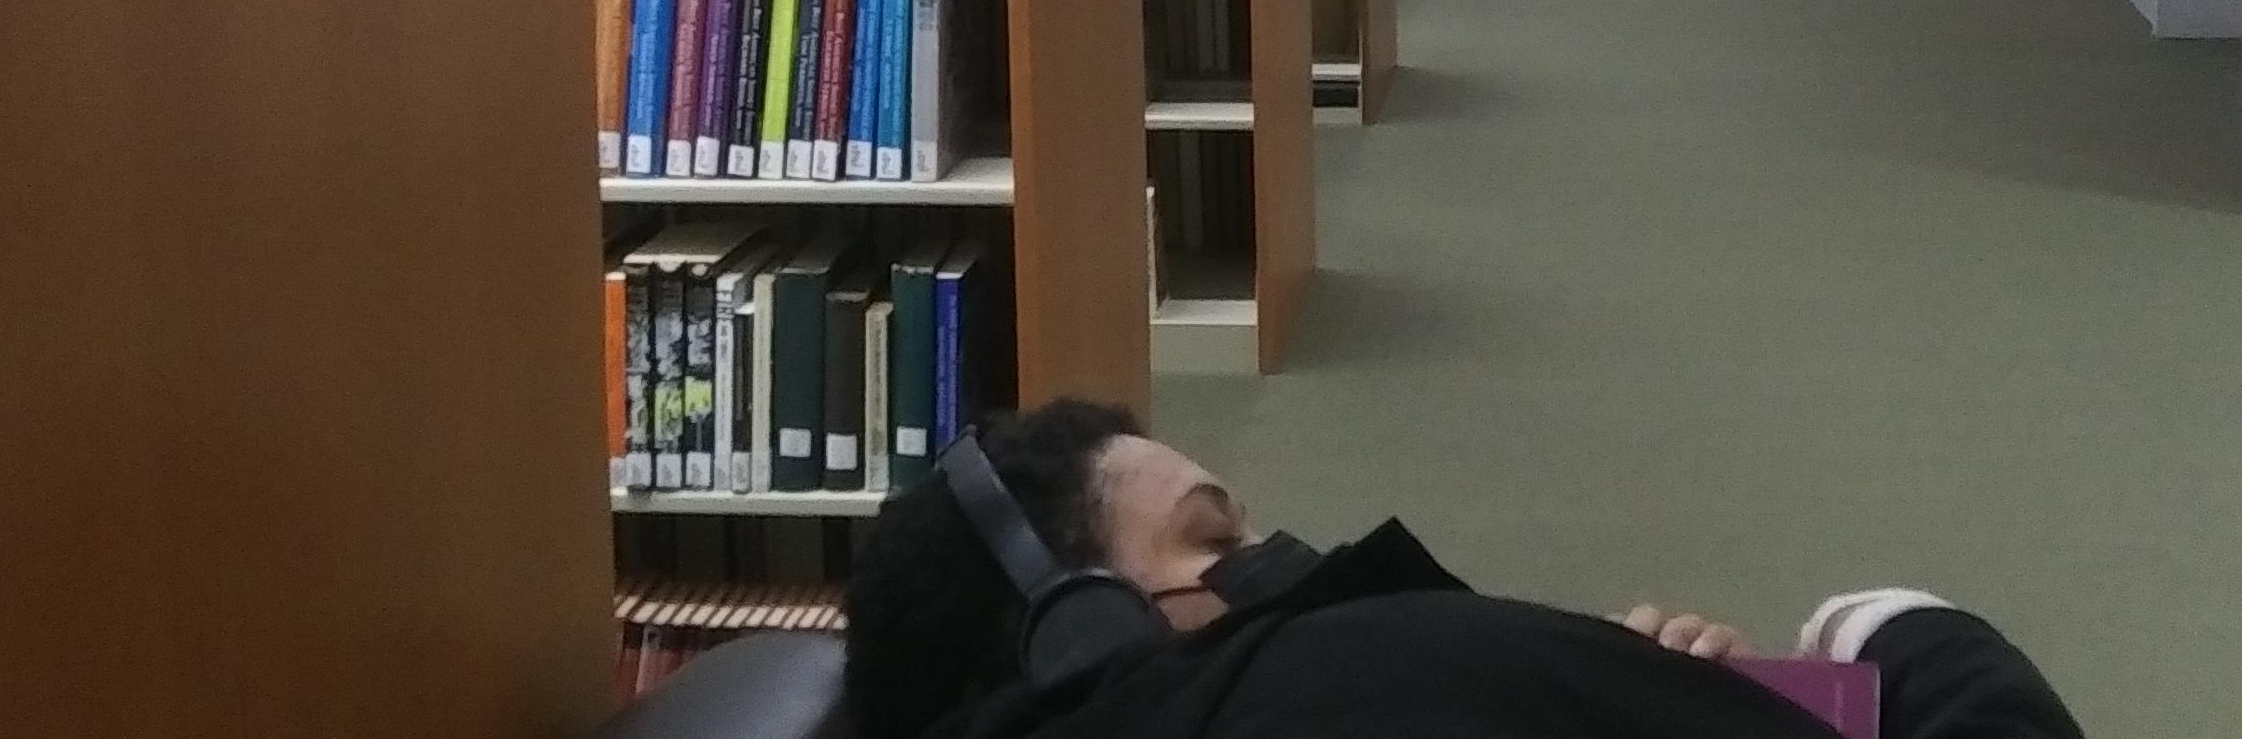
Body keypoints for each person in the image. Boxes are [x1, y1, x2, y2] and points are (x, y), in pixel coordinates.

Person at [841, 399, 2084, 739]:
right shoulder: (1345, 678)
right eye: (1211, 538)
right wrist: (1912, 637)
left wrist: (1624, 694)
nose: (1271, 561)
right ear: (1083, 631)